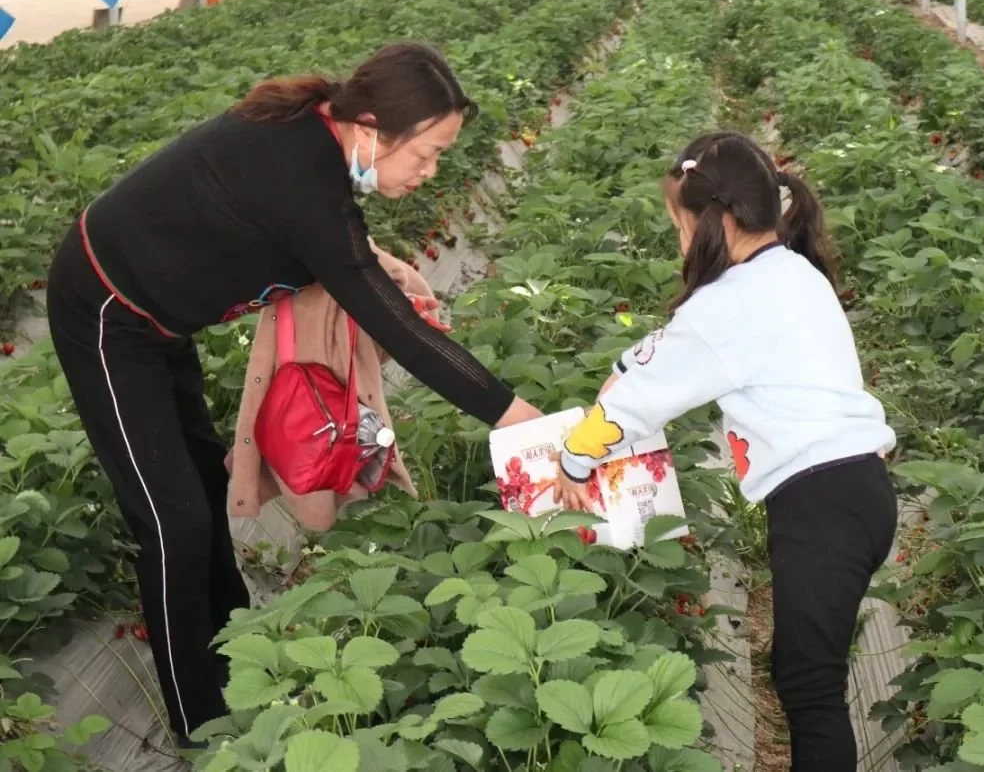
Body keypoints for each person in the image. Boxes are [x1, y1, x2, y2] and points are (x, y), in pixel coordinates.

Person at [45, 42, 541, 748]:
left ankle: (235, 654)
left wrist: (371, 264)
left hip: (162, 322)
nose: (431, 174)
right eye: (426, 153)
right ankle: (202, 722)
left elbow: (337, 250)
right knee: (171, 519)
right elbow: (395, 327)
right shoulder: (299, 171)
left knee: (194, 485)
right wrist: (518, 417)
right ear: (371, 126)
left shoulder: (317, 147)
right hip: (106, 309)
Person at [553, 131, 898, 772]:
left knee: (810, 689)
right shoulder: (791, 270)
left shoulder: (729, 303)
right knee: (804, 674)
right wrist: (626, 369)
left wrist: (574, 459)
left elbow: (638, 401)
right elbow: (663, 356)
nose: (682, 244)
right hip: (856, 497)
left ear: (718, 220)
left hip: (822, 507)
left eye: (681, 228)